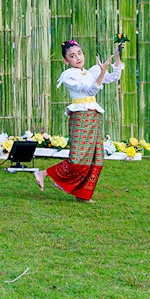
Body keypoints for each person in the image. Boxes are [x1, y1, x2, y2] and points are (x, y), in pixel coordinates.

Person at [33, 40, 123, 202]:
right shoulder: (69, 76)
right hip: (81, 116)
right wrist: (102, 72)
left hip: (93, 115)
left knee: (97, 159)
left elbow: (115, 77)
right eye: (72, 56)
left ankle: (82, 195)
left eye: (79, 53)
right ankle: (43, 173)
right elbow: (90, 90)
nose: (78, 58)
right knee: (78, 158)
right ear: (66, 61)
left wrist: (117, 56)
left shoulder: (90, 72)